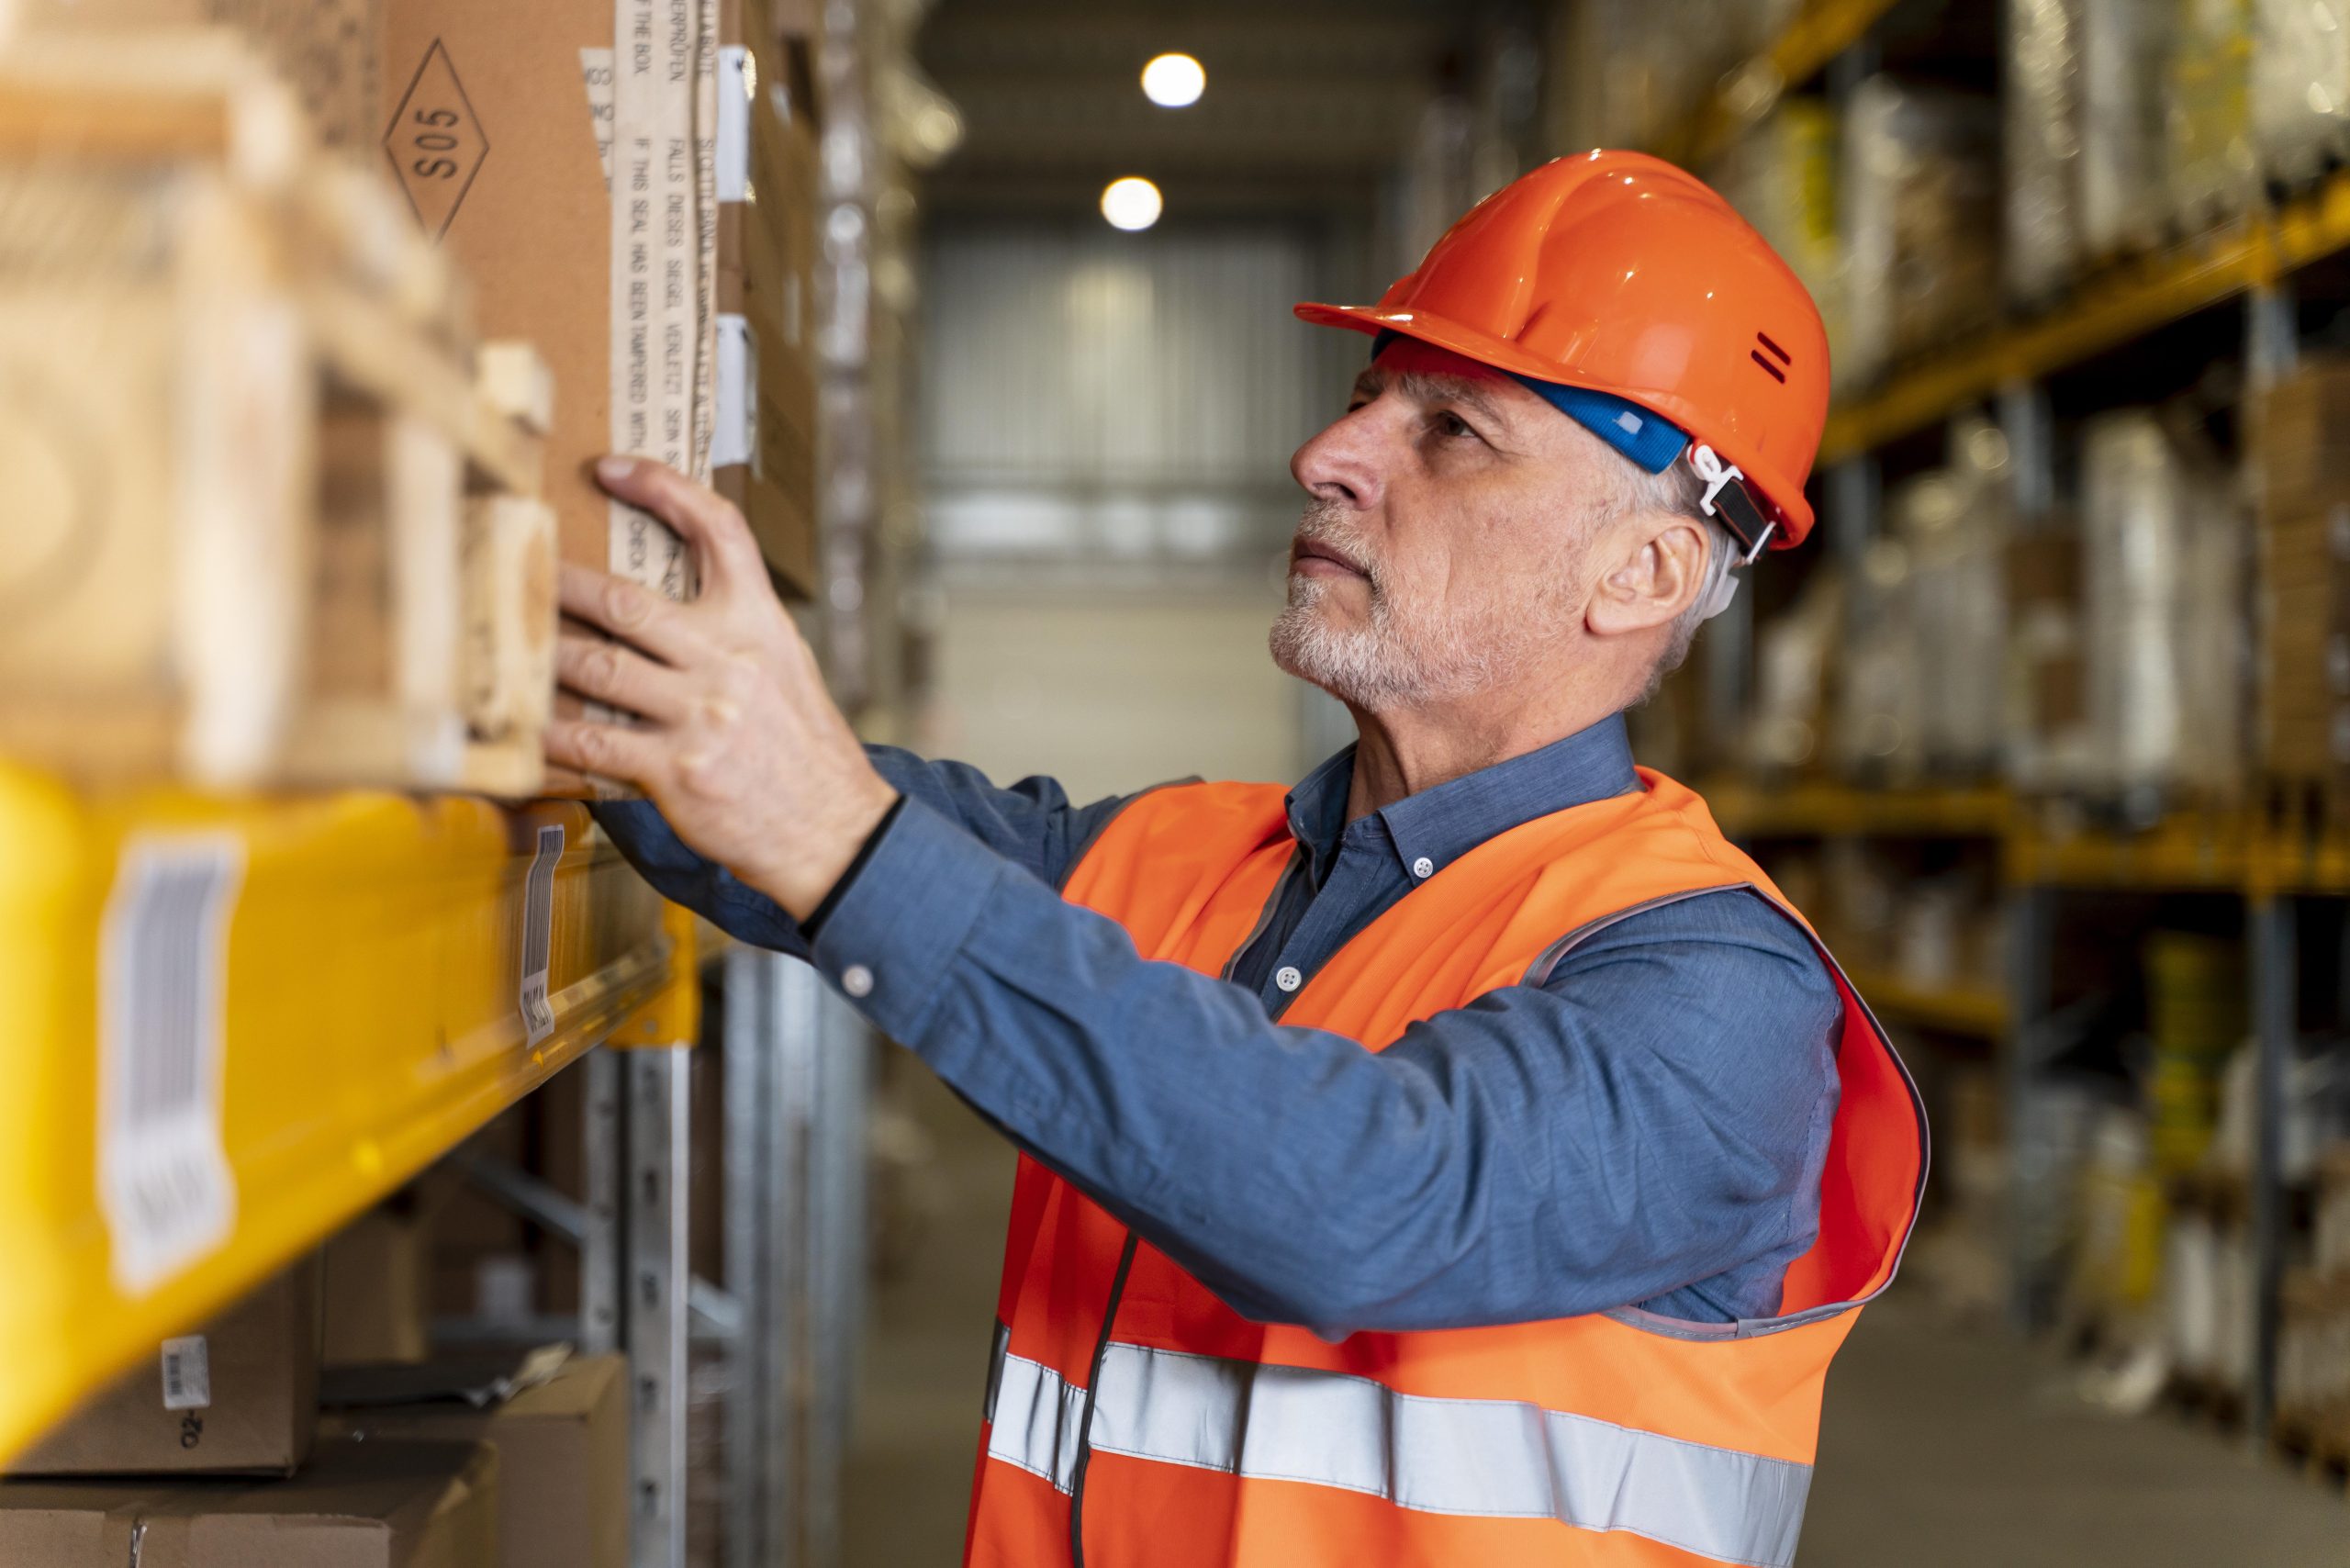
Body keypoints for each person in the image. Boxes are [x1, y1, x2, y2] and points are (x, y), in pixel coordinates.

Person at [560, 151, 1926, 1568]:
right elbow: (753, 800)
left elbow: (1367, 1204)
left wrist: (839, 841)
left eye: (1450, 430)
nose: (1326, 458)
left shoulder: (1713, 988)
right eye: (1362, 405)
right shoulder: (1178, 857)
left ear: (1637, 573)